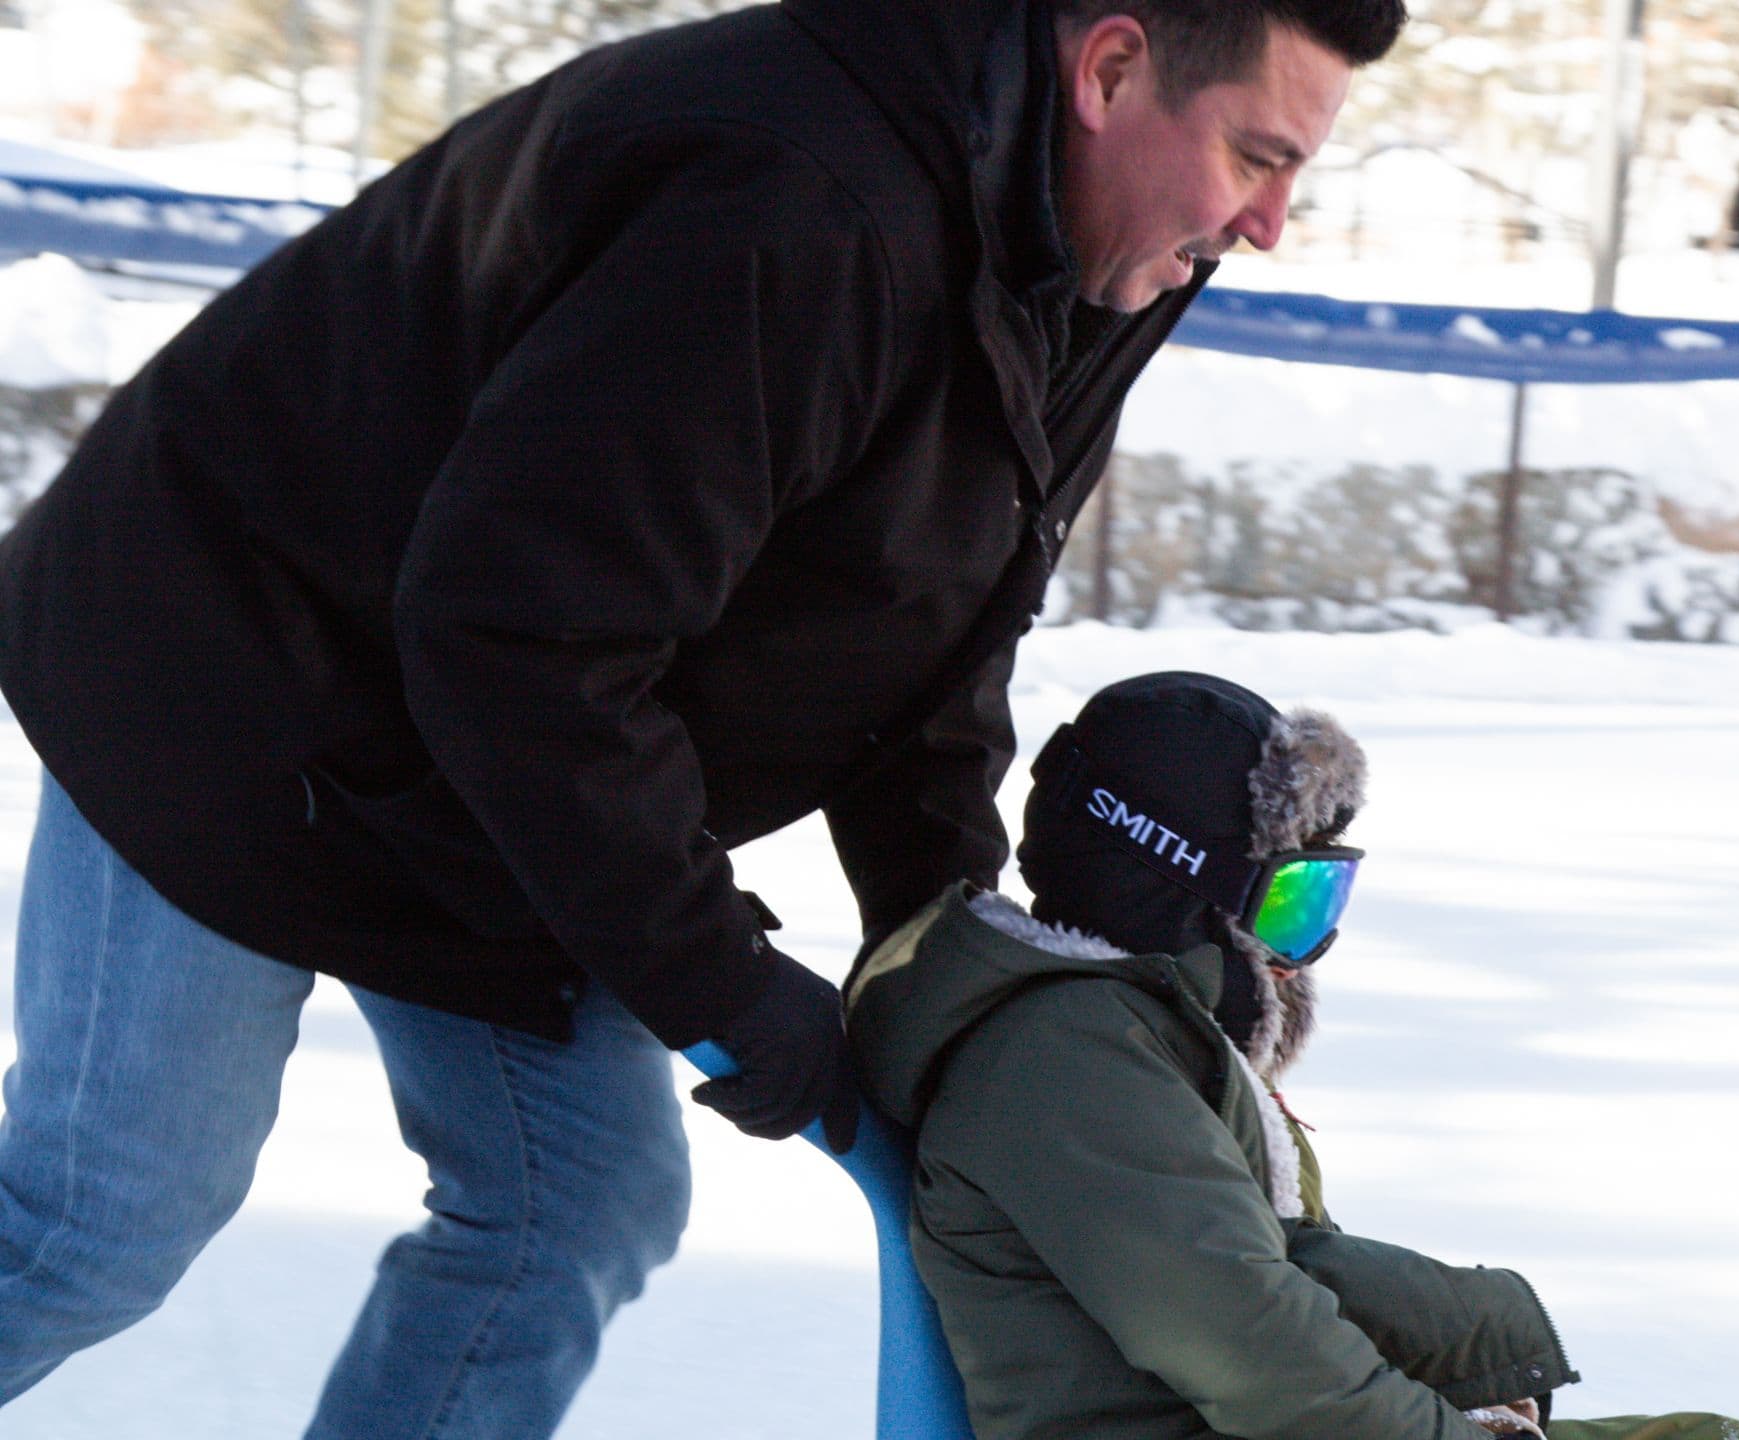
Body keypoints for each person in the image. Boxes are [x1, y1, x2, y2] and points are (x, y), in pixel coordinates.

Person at [0, 0, 1404, 1432]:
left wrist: (950, 960)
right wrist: (722, 986)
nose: (1272, 220)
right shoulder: (794, 205)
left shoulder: (1115, 250)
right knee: (104, 1214)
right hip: (224, 675)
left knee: (573, 1212)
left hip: (490, 745)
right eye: (1254, 155)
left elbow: (934, 618)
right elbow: (524, 636)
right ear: (1110, 68)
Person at [844, 671, 1739, 1439]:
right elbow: (1248, 1342)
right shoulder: (1067, 1058)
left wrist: (1463, 1363)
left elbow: (1268, 1286)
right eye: (1290, 902)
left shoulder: (1117, 1037)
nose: (1299, 952)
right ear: (1181, 883)